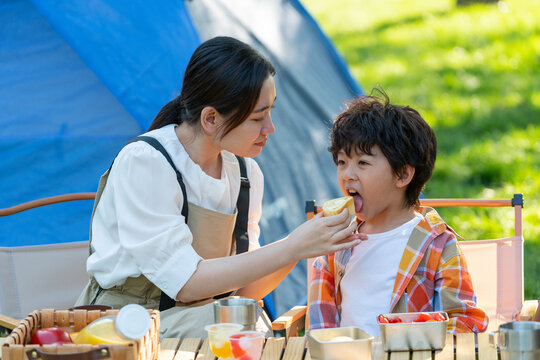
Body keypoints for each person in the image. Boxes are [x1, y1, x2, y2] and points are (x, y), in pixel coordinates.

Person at [75, 36, 365, 339]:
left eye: (270, 112)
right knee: (245, 332)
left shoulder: (245, 173)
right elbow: (187, 283)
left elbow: (243, 291)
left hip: (203, 319)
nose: (270, 129)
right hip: (127, 325)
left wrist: (303, 248)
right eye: (257, 117)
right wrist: (293, 245)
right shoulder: (147, 163)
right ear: (211, 119)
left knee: (248, 323)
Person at [307, 91, 489, 335]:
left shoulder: (438, 245)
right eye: (342, 162)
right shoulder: (334, 245)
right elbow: (320, 324)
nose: (347, 174)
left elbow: (464, 320)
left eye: (362, 163)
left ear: (402, 175)